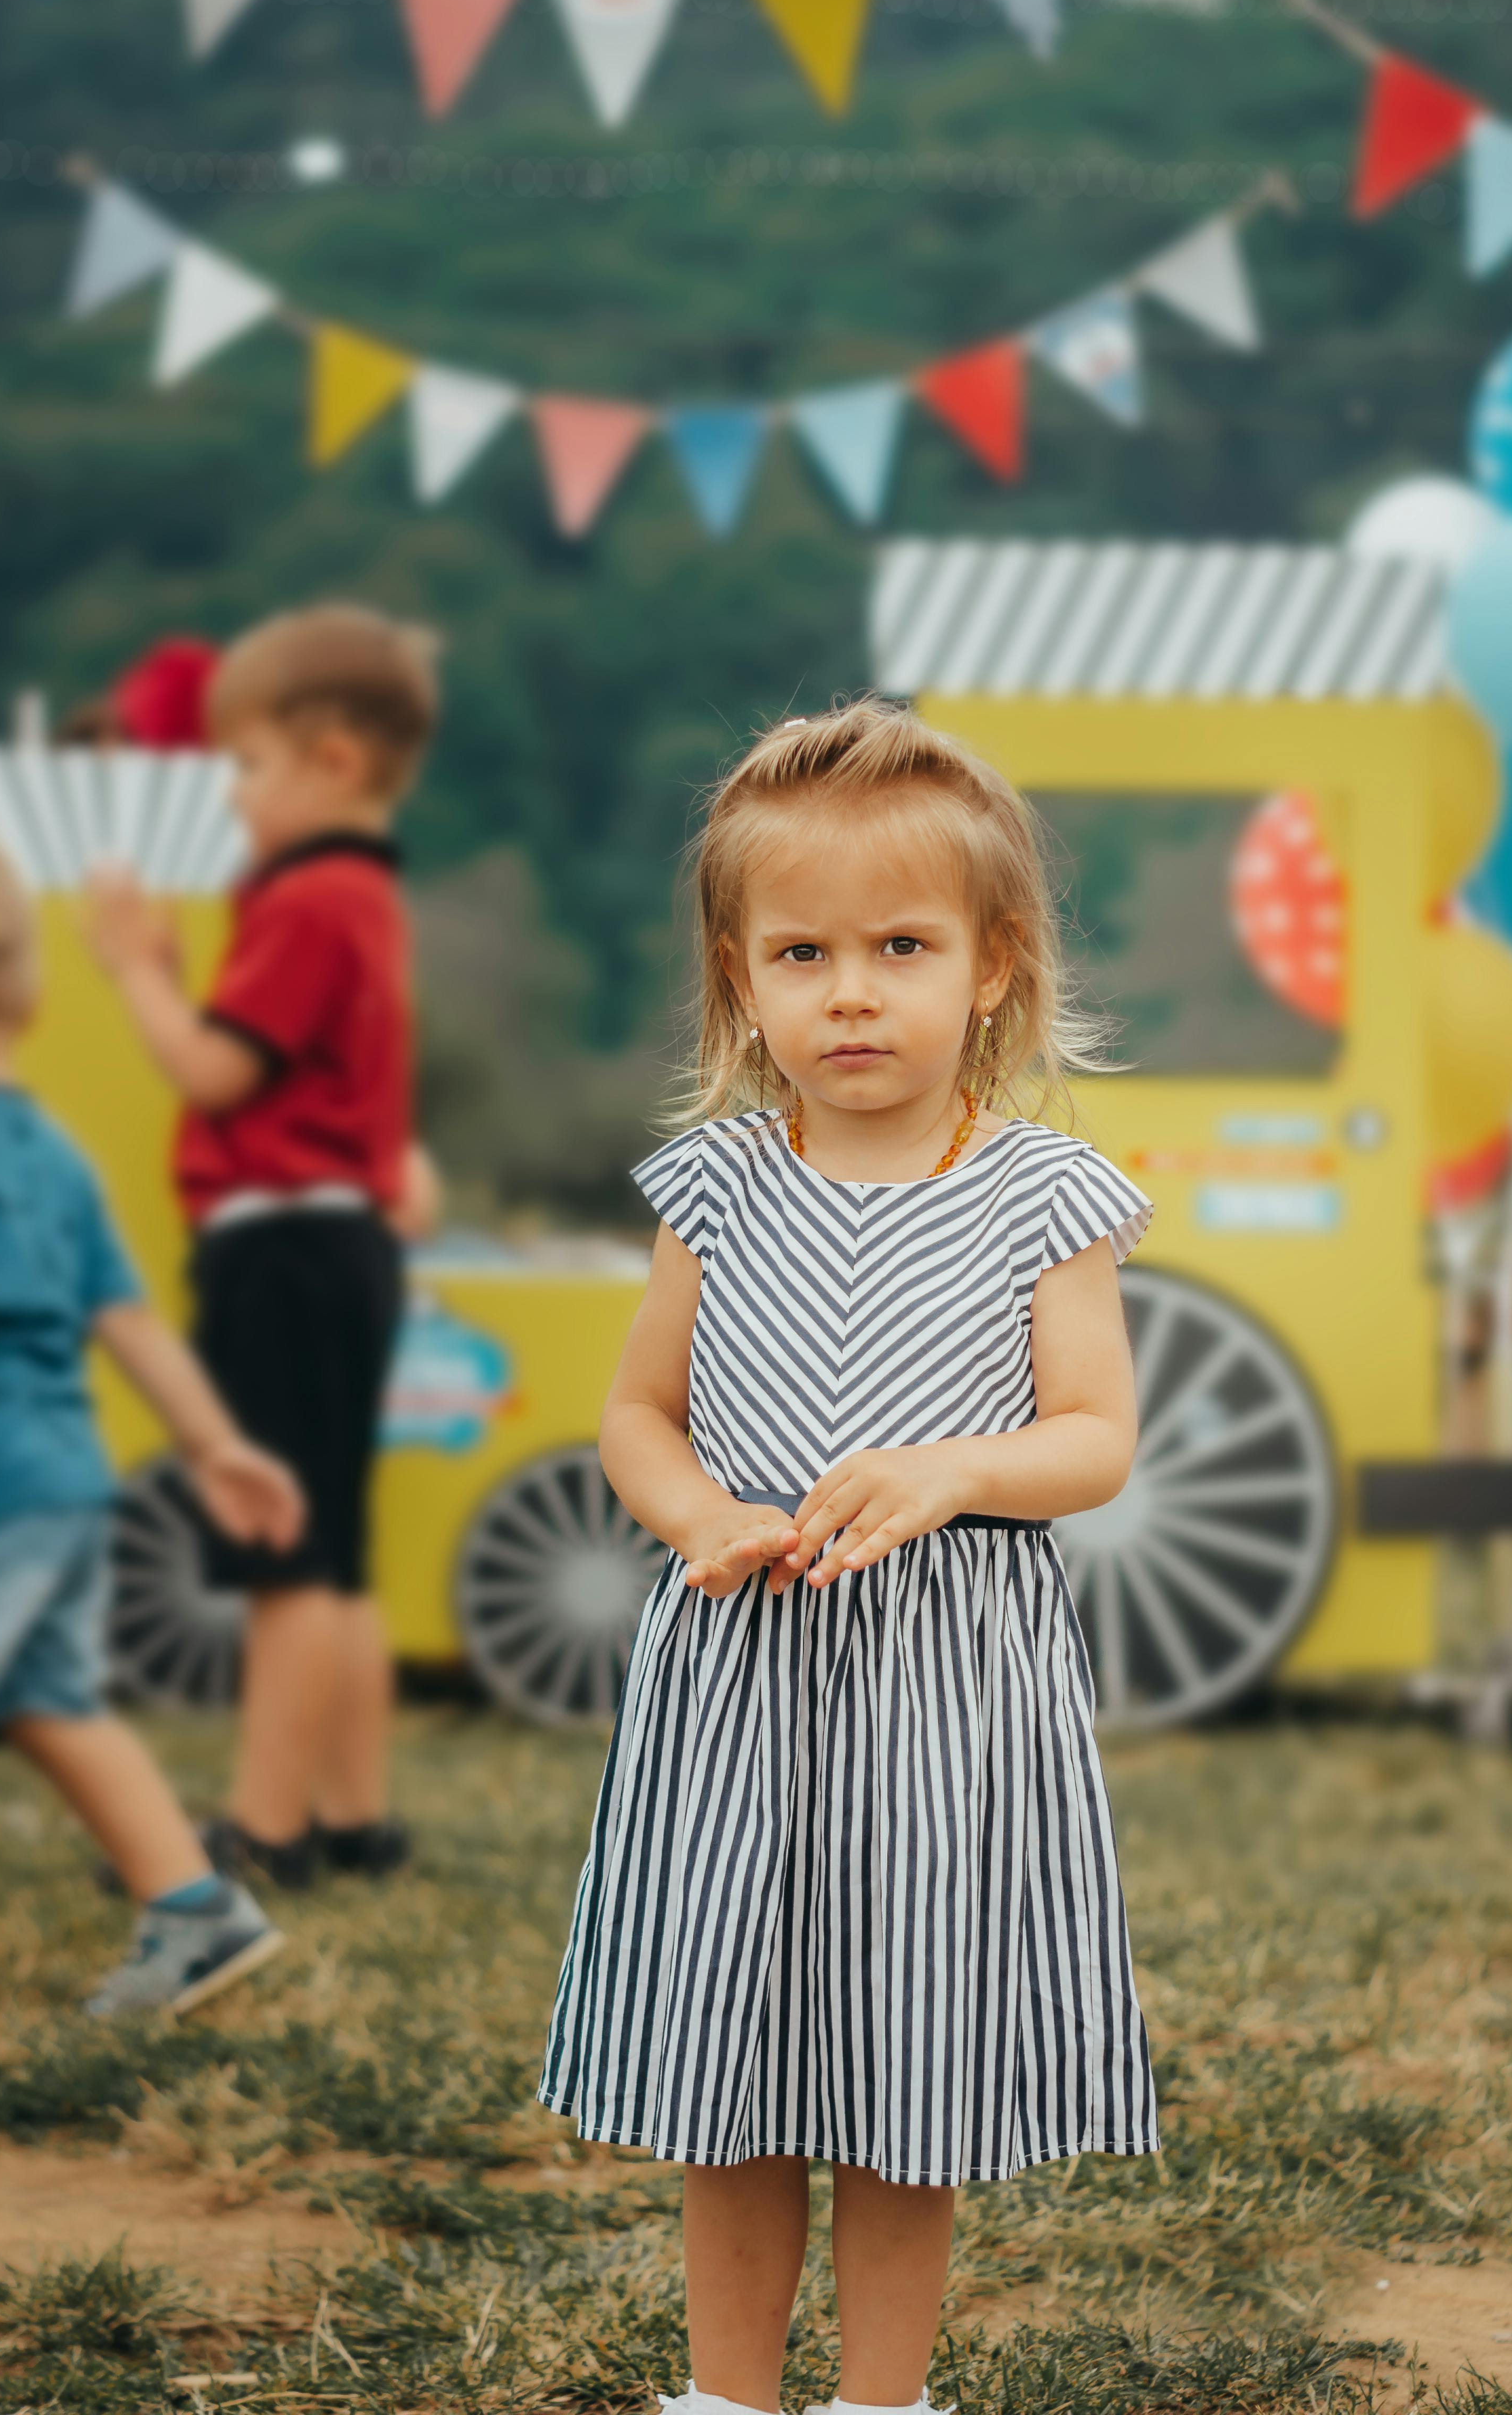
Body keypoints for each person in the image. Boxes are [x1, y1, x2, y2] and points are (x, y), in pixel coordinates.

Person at [540, 702, 1157, 2415]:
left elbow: (1094, 1438)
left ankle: (880, 2403)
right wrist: (694, 1517)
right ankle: (724, 2398)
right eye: (800, 952)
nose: (851, 991)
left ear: (991, 963)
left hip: (942, 1689)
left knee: (904, 2069)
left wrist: (954, 1468)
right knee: (729, 2075)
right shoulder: (716, 1189)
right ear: (740, 978)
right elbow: (636, 1413)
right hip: (738, 1675)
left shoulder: (1047, 1193)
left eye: (900, 945)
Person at [86, 604, 439, 1894]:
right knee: (336, 1556)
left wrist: (135, 966)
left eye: (245, 766)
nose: (231, 797)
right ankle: (353, 1816)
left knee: (281, 1554)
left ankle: (262, 1831)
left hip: (279, 1251)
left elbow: (214, 1071)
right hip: (346, 1248)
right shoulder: (371, 899)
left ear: (331, 761)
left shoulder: (306, 902)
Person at [0, 825, 303, 2031]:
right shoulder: (49, 1150)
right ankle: (196, 1911)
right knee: (51, 1701)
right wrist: (216, 1445)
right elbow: (128, 1320)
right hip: (62, 1479)